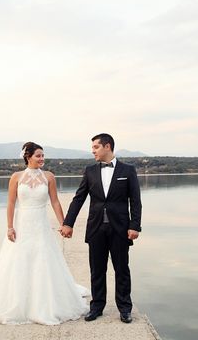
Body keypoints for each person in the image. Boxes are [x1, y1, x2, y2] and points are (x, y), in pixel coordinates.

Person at [0, 142, 88, 325]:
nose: (42, 159)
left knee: (43, 259)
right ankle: (18, 303)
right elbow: (11, 203)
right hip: (23, 223)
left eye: (43, 156)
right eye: (38, 156)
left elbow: (55, 202)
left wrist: (64, 224)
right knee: (19, 260)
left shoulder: (49, 177)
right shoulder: (16, 177)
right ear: (28, 157)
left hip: (41, 224)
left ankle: (44, 304)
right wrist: (9, 227)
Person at [60, 133, 142, 324]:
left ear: (107, 146)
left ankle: (124, 308)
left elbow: (135, 201)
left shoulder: (128, 170)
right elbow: (79, 198)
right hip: (96, 227)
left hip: (120, 228)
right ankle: (96, 307)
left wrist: (135, 226)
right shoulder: (90, 171)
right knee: (97, 269)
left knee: (122, 269)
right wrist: (67, 223)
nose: (93, 151)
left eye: (96, 147)